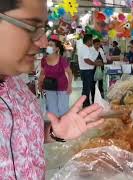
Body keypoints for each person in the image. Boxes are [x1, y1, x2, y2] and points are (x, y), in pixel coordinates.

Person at [0, 0, 104, 179]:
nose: (43, 42)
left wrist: (55, 132)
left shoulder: (16, 86)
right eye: (32, 27)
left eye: (43, 29)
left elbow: (21, 136)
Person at [38, 37, 73, 116]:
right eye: (48, 45)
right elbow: (42, 73)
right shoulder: (44, 60)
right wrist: (39, 84)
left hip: (62, 86)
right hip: (49, 87)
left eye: (51, 45)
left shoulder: (62, 60)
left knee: (63, 109)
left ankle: (64, 126)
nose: (48, 47)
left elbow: (69, 73)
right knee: (52, 109)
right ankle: (54, 126)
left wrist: (70, 86)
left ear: (57, 49)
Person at [78, 34, 103, 107]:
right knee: (86, 89)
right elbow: (86, 60)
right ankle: (85, 104)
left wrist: (95, 62)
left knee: (87, 88)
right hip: (86, 71)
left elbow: (90, 58)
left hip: (86, 71)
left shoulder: (85, 48)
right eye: (92, 40)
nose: (92, 41)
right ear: (89, 40)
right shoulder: (85, 48)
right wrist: (95, 63)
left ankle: (86, 103)